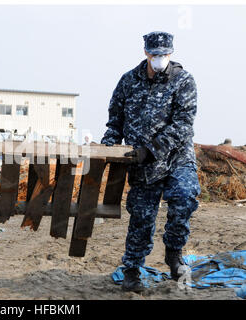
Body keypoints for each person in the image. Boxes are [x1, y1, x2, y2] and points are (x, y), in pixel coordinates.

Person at [101, 31, 201, 293]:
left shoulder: (184, 81)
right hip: (142, 165)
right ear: (146, 52)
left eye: (165, 54)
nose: (160, 59)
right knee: (142, 217)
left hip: (176, 158)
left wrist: (152, 149)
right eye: (155, 54)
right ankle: (132, 269)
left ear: (171, 52)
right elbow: (115, 120)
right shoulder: (128, 81)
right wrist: (108, 145)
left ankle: (174, 253)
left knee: (185, 197)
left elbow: (183, 125)